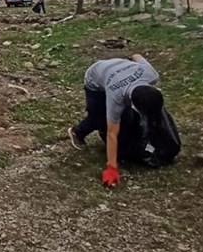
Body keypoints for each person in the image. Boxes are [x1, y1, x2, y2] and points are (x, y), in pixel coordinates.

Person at [68, 54, 163, 187]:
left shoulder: (151, 75)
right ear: (133, 104)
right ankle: (78, 132)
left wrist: (131, 57)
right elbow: (112, 133)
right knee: (99, 117)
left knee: (126, 121)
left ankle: (123, 151)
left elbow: (137, 56)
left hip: (119, 66)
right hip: (95, 77)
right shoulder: (116, 96)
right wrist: (111, 167)